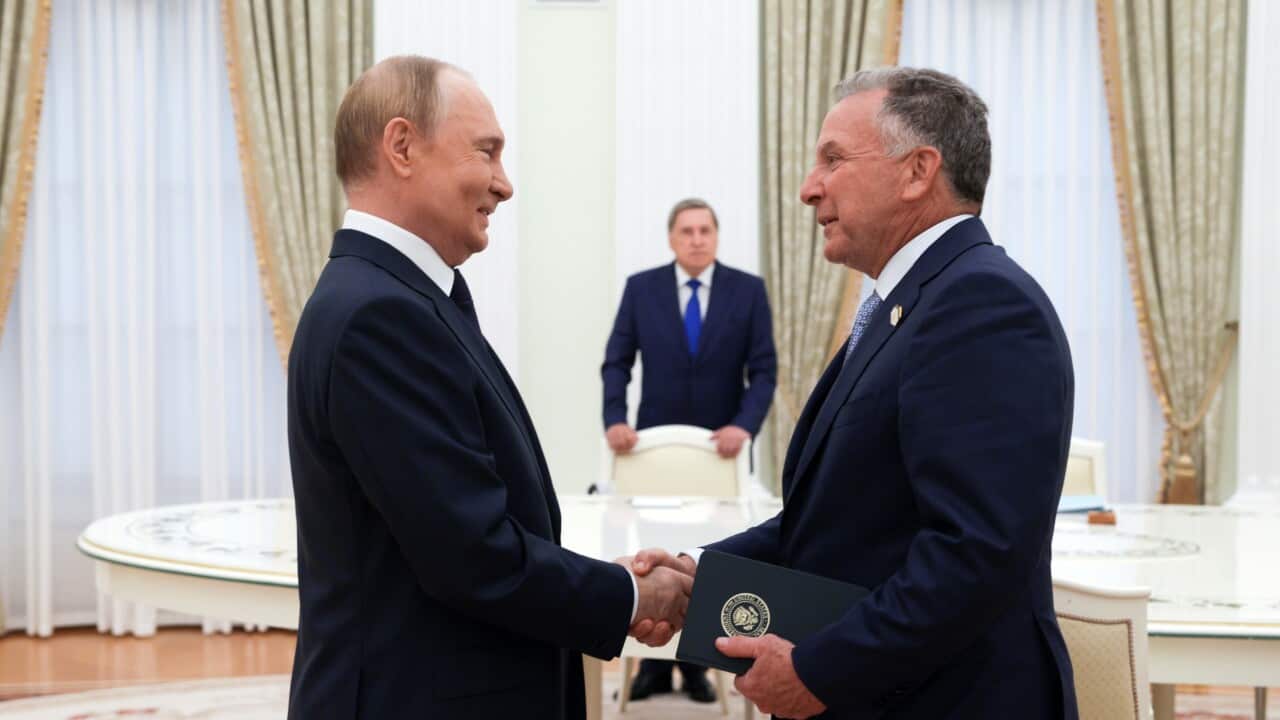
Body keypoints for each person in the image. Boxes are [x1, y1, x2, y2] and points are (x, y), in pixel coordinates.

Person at [634, 67, 1079, 719]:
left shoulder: (982, 305)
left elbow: (974, 553)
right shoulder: (910, 302)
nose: (809, 189)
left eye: (833, 159)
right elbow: (842, 519)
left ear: (917, 170)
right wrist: (698, 574)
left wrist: (819, 670)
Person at [286, 56, 691, 719]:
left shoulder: (405, 295)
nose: (505, 185)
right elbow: (470, 556)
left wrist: (606, 582)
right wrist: (626, 595)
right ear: (402, 146)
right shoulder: (378, 315)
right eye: (487, 152)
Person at [600, 198, 777, 702]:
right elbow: (617, 361)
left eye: (705, 230)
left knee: (707, 555)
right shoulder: (642, 289)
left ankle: (696, 662)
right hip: (652, 452)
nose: (697, 238)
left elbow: (763, 371)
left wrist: (744, 426)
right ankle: (652, 669)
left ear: (716, 237)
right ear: (672, 239)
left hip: (719, 456)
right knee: (655, 554)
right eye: (687, 231)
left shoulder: (748, 291)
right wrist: (615, 418)